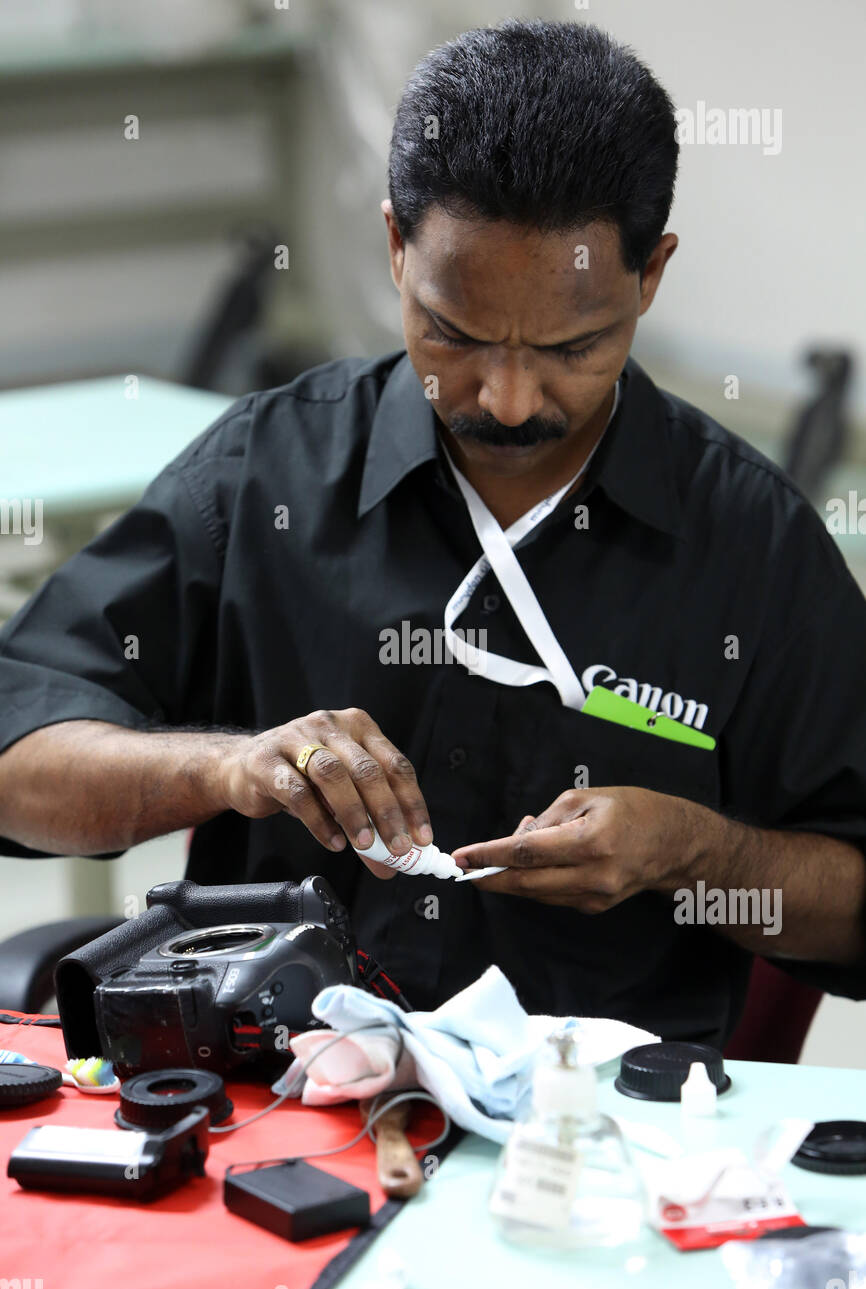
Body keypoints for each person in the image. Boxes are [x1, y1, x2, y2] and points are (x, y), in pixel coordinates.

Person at [1, 20, 864, 1045]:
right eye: (450, 332)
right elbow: (19, 766)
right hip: (279, 1110)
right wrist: (227, 770)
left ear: (650, 276)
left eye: (569, 348)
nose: (503, 399)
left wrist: (698, 854)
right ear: (395, 246)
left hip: (591, 1142)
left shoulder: (748, 547)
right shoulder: (263, 477)